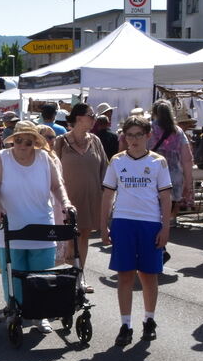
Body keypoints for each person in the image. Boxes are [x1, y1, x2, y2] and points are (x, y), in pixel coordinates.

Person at [0, 120, 72, 334]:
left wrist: (66, 203)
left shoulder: (44, 158)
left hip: (41, 225)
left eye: (28, 141)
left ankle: (40, 315)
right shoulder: (1, 158)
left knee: (41, 274)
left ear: (35, 142)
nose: (23, 145)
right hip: (10, 225)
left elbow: (57, 185)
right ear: (12, 140)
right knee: (14, 275)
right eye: (19, 140)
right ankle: (15, 310)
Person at [101, 114, 172, 345]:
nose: (134, 140)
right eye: (129, 135)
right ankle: (125, 325)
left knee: (149, 276)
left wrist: (165, 228)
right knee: (125, 276)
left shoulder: (158, 161)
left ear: (148, 135)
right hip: (123, 222)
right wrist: (103, 225)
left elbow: (166, 197)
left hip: (150, 224)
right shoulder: (116, 160)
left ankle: (149, 320)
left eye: (138, 135)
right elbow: (108, 195)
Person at [53, 103, 108, 287]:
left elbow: (104, 169)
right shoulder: (61, 141)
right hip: (67, 200)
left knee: (84, 236)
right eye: (91, 115)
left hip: (91, 198)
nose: (94, 119)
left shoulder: (96, 141)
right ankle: (68, 279)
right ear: (78, 118)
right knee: (69, 240)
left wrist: (106, 196)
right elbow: (52, 170)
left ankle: (79, 277)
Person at [147, 100, 195, 218]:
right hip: (173, 179)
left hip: (151, 177)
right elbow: (187, 159)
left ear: (154, 113)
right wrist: (188, 183)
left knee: (151, 214)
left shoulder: (148, 130)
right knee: (169, 216)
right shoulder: (178, 131)